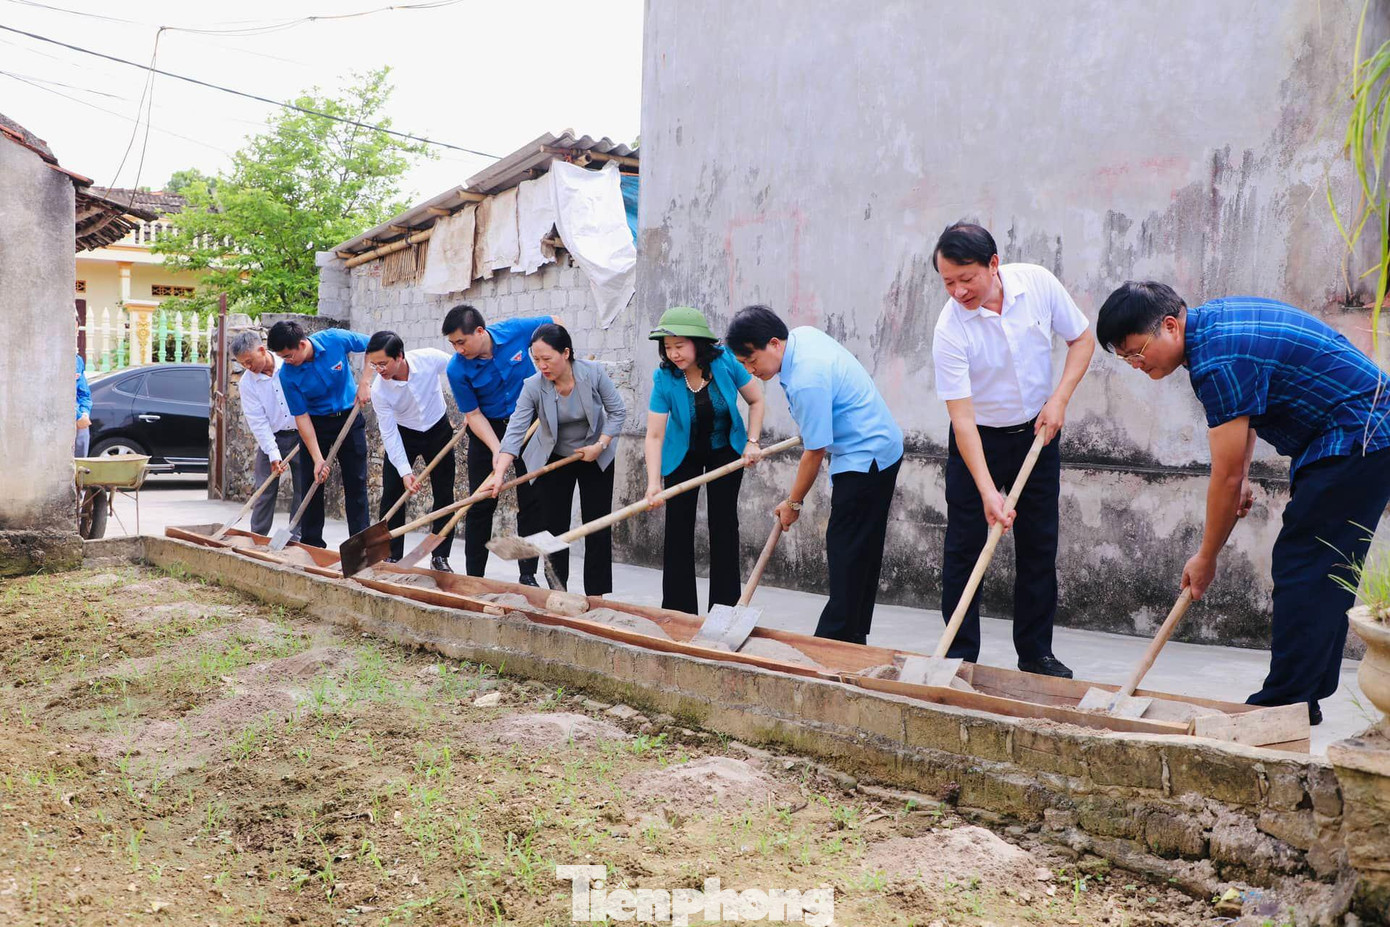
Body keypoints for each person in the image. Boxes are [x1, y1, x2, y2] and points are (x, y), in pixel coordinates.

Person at [1096, 281, 1390, 725]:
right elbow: (1246, 415)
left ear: (1170, 326)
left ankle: (1284, 702)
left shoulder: (1217, 360)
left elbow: (1225, 477)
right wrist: (1245, 471)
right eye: (1126, 360)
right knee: (1322, 569)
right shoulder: (1212, 328)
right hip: (1355, 432)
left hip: (1358, 435)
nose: (1137, 366)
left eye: (1137, 353)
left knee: (1304, 566)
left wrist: (1206, 557)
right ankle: (1301, 698)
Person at [930, 222, 1095, 678]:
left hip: (1038, 435)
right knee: (964, 549)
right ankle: (960, 655)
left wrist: (1059, 398)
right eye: (948, 282)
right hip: (976, 440)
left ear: (994, 264)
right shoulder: (949, 330)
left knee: (1039, 546)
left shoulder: (1038, 284)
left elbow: (1082, 339)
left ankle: (1036, 653)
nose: (958, 291)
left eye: (967, 279)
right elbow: (961, 420)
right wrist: (987, 491)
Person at [725, 305, 903, 645]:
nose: (751, 371)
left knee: (846, 551)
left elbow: (815, 451)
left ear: (774, 343)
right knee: (860, 549)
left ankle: (832, 642)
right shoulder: (802, 337)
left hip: (866, 457)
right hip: (879, 444)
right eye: (744, 365)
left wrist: (793, 502)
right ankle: (852, 638)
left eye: (752, 362)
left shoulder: (807, 377)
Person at [485, 323, 626, 594]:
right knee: (554, 527)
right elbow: (515, 431)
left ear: (566, 353)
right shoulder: (533, 386)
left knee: (597, 524)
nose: (541, 366)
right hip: (553, 457)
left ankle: (596, 596)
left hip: (594, 454)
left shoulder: (593, 374)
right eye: (536, 360)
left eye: (547, 359)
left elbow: (618, 412)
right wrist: (500, 473)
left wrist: (601, 444)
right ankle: (557, 590)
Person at [643, 306, 766, 614]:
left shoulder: (725, 362)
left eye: (679, 346)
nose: (673, 354)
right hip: (681, 454)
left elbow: (756, 400)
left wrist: (752, 442)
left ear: (698, 342)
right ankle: (678, 611)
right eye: (667, 348)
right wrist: (653, 483)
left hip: (725, 449)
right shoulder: (665, 377)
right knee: (678, 529)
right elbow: (655, 435)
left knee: (724, 526)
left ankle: (724, 610)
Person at [443, 305, 560, 585]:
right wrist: (499, 450)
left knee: (533, 502)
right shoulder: (457, 369)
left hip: (529, 423)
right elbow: (472, 415)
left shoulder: (516, 330)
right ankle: (475, 578)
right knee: (480, 502)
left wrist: (557, 364)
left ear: (480, 331)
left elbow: (555, 322)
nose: (458, 349)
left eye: (462, 341)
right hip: (488, 431)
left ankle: (528, 575)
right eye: (453, 344)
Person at [267, 320, 372, 547]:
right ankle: (312, 544)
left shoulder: (334, 339)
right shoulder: (287, 375)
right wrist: (317, 459)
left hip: (349, 417)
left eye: (287, 356)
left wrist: (365, 381)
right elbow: (301, 417)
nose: (286, 362)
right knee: (312, 484)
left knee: (356, 483)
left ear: (302, 344)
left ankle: (360, 544)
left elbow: (375, 346)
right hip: (316, 425)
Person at [365, 331, 457, 571]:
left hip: (438, 428)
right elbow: (389, 433)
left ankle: (440, 556)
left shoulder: (429, 358)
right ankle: (392, 554)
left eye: (383, 363)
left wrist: (470, 408)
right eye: (374, 365)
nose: (380, 370)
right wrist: (405, 471)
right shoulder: (379, 390)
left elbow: (459, 370)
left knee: (444, 494)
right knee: (392, 493)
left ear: (400, 357)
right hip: (404, 433)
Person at [230, 330, 309, 540]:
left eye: (249, 361)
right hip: (272, 437)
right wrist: (273, 453)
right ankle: (257, 537)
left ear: (262, 350)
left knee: (304, 487)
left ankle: (295, 537)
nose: (247, 367)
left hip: (303, 434)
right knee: (265, 488)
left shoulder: (289, 365)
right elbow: (258, 422)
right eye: (242, 364)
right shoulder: (247, 383)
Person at [74, 353, 91, 457]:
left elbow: (84, 393)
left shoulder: (77, 360)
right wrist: (78, 415)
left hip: (78, 417)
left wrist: (85, 413)